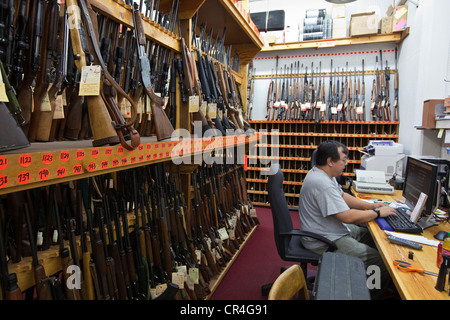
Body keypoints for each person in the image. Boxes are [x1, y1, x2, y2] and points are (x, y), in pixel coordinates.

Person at [299, 140, 397, 299]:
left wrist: (369, 206)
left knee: (373, 236)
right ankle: (371, 295)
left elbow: (343, 196)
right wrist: (378, 213)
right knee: (381, 262)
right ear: (330, 161)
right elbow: (347, 216)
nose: (346, 164)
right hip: (325, 240)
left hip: (331, 230)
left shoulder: (325, 175)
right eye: (343, 161)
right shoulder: (322, 183)